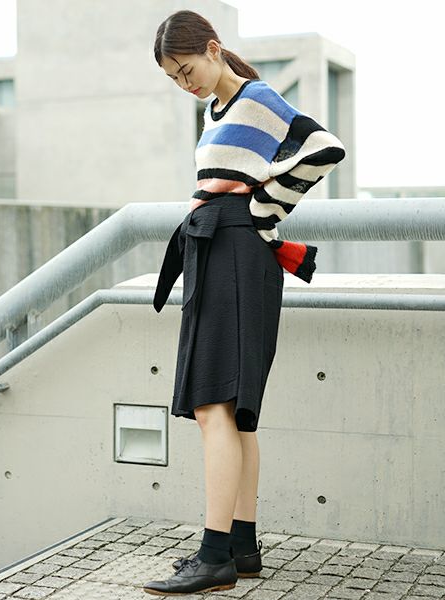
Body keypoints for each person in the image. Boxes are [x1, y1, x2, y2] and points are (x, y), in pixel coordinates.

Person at [144, 9, 346, 597]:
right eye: (174, 79)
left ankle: (214, 557)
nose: (184, 84)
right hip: (222, 251)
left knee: (214, 406)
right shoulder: (217, 110)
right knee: (234, 412)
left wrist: (265, 208)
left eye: (186, 70)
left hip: (236, 248)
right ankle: (240, 545)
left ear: (213, 48)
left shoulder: (255, 98)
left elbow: (324, 147)